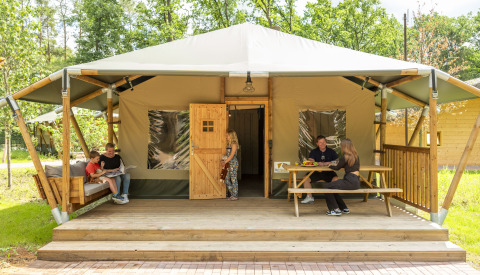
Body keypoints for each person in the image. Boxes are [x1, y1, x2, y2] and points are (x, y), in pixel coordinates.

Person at [323, 139, 361, 216]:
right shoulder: (355, 156)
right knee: (333, 187)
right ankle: (344, 208)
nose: (340, 147)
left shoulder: (345, 156)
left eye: (341, 145)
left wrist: (330, 166)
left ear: (344, 147)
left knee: (326, 187)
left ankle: (335, 210)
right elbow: (345, 165)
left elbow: (337, 168)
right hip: (356, 181)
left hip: (349, 180)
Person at [301, 135, 339, 204]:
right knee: (305, 178)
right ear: (317, 143)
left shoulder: (331, 151)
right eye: (320, 142)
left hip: (328, 172)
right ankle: (309, 197)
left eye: (324, 142)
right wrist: (317, 163)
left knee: (336, 179)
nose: (322, 144)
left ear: (326, 142)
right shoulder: (314, 151)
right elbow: (310, 160)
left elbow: (337, 161)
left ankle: (333, 197)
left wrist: (329, 162)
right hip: (316, 172)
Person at [221, 129, 239, 201]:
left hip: (233, 163)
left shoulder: (234, 144)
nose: (226, 137)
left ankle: (235, 195)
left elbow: (231, 156)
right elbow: (227, 155)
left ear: (231, 136)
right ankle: (232, 194)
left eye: (227, 136)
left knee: (233, 178)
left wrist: (224, 162)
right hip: (227, 163)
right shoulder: (228, 144)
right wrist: (223, 160)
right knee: (226, 179)